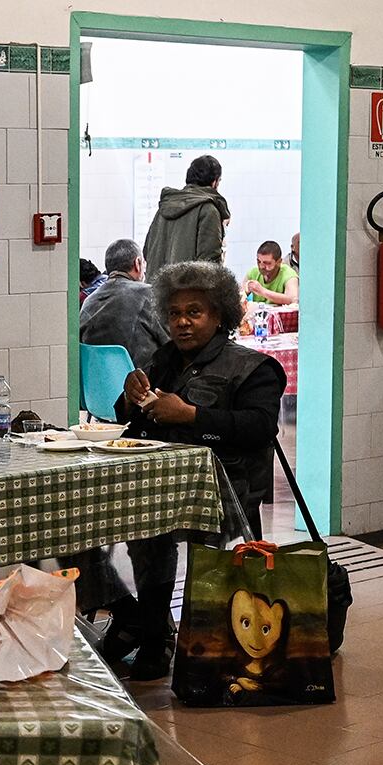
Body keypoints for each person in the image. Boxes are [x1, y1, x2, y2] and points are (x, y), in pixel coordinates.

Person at [106, 261, 284, 679]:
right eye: (174, 313)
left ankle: (200, 645)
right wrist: (130, 398)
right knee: (147, 545)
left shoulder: (255, 367)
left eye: (194, 312)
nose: (182, 322)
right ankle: (154, 636)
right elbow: (128, 417)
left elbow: (260, 428)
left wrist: (191, 415)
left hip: (226, 488)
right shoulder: (164, 359)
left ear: (219, 315)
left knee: (207, 558)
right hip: (159, 486)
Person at [78, 237, 164, 371]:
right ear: (138, 263)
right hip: (144, 385)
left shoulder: (88, 301)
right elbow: (172, 343)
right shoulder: (148, 294)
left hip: (96, 387)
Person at [142, 154, 229, 277]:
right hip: (186, 294)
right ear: (214, 182)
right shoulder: (208, 210)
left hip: (155, 291)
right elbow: (209, 265)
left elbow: (147, 252)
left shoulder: (165, 207)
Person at [244, 240, 298, 306]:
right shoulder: (253, 273)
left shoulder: (289, 275)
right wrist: (244, 294)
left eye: (267, 263)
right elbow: (240, 295)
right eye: (258, 261)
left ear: (279, 262)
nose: (261, 266)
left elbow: (292, 299)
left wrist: (262, 291)